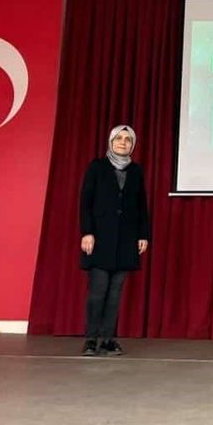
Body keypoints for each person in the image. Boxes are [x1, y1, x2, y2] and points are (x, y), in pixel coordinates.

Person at [79, 125, 150, 355]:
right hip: (100, 238)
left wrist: (143, 234)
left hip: (126, 240)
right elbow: (86, 202)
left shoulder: (136, 171)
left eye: (128, 140)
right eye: (119, 138)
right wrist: (87, 232)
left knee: (115, 294)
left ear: (132, 145)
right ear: (111, 142)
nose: (123, 143)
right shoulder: (97, 167)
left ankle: (108, 340)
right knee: (98, 291)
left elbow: (141, 206)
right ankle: (91, 340)